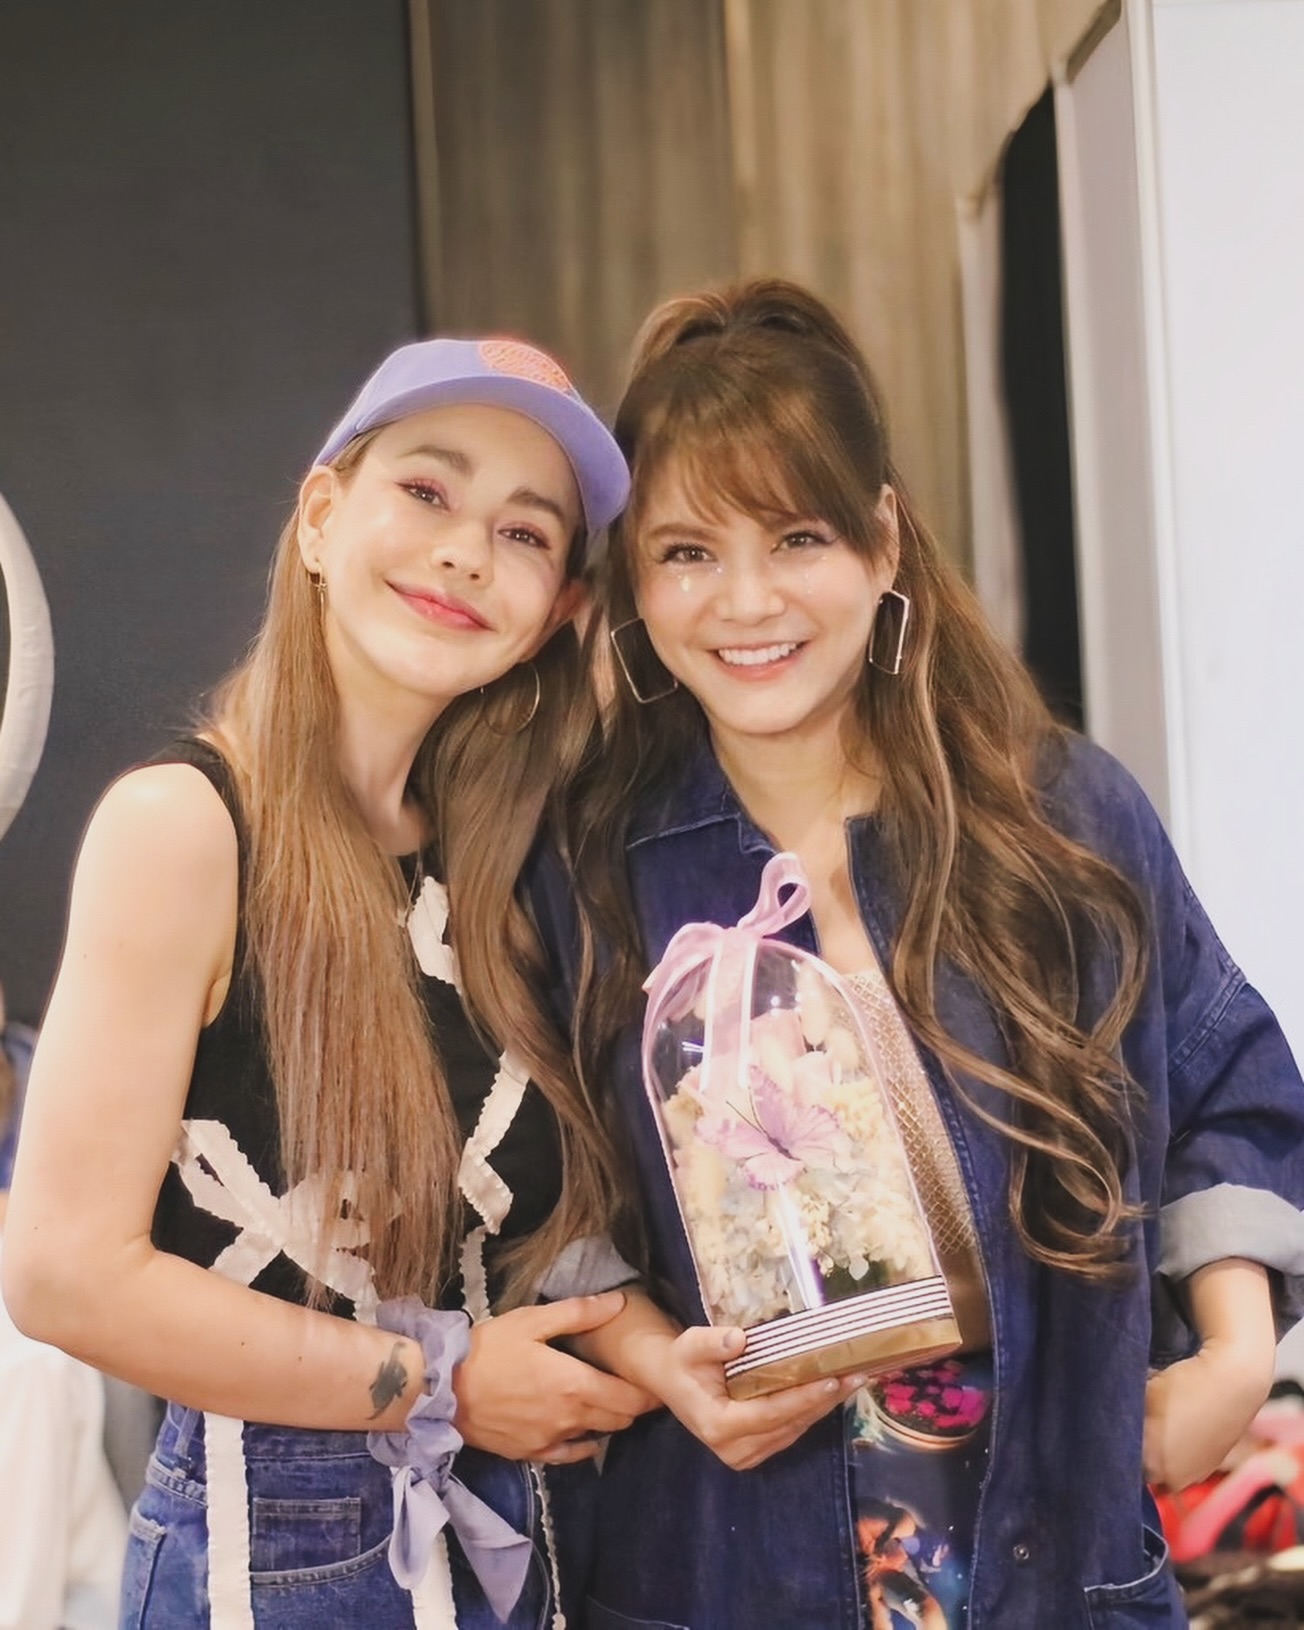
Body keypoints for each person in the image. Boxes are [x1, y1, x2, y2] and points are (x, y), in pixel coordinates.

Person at [534, 278, 1304, 1628]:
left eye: (798, 536)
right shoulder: (594, 866)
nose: (747, 600)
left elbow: (1223, 1076)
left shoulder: (1058, 816)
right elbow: (542, 1197)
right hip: (726, 1560)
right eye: (688, 551)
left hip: (1056, 1552)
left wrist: (1237, 1352)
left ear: (884, 540)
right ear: (634, 587)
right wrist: (662, 1365)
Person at [1, 334, 656, 1628]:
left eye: (525, 533)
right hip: (271, 1561)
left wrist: (668, 1357)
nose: (466, 552)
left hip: (507, 1551)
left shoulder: (489, 861)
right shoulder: (185, 829)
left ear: (558, 610)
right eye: (426, 489)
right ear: (317, 517)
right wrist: (441, 1383)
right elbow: (62, 1272)